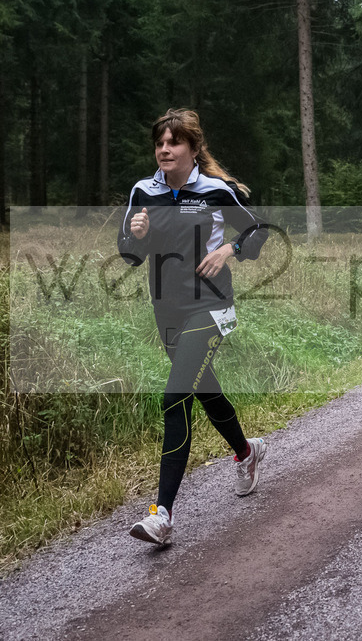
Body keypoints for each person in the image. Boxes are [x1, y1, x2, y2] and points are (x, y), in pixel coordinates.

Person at [118, 108, 271, 545]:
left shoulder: (215, 191)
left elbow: (259, 232)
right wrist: (137, 234)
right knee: (204, 389)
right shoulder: (143, 191)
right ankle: (246, 451)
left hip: (212, 304)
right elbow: (128, 254)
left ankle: (161, 514)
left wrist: (229, 250)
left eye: (174, 142)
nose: (165, 149)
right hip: (167, 310)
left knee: (175, 396)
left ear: (193, 149)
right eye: (160, 143)